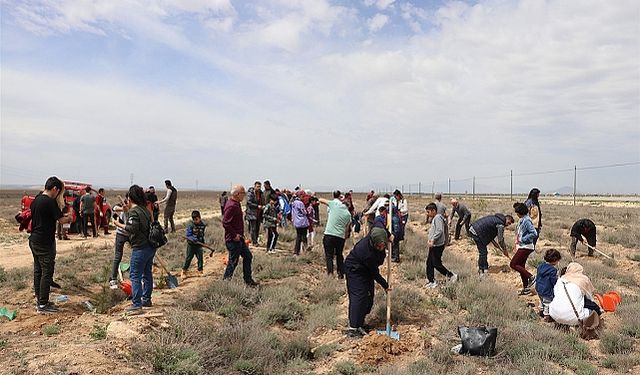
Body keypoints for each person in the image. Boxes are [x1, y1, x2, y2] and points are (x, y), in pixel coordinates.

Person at [29, 177, 72, 313]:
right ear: (54, 189)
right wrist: (70, 217)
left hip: (35, 239)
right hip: (44, 242)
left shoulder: (37, 199)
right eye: (58, 191)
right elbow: (61, 220)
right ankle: (43, 304)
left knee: (38, 270)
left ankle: (40, 298)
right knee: (46, 272)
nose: (58, 194)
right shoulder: (49, 202)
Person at [113, 185, 156, 315]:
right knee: (147, 273)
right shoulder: (145, 210)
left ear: (130, 198)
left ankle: (137, 304)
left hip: (140, 248)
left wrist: (117, 224)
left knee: (135, 275)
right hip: (150, 247)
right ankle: (146, 299)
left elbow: (132, 228)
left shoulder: (135, 212)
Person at [344, 227, 390, 338]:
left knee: (369, 297)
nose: (381, 248)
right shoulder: (365, 251)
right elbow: (374, 272)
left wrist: (390, 236)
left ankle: (360, 323)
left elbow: (381, 229)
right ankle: (353, 328)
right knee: (359, 297)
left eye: (383, 245)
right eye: (379, 246)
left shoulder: (377, 234)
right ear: (374, 243)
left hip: (365, 270)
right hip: (355, 270)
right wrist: (385, 285)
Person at [222, 185, 258, 286]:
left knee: (248, 256)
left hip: (240, 239)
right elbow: (225, 222)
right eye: (243, 193)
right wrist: (234, 235)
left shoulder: (236, 203)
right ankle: (225, 283)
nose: (244, 195)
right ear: (237, 194)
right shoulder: (231, 206)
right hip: (233, 240)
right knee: (233, 262)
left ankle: (248, 280)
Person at [469, 213, 514, 279]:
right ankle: (481, 271)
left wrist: (495, 243)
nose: (508, 225)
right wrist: (505, 250)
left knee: (484, 251)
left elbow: (489, 231)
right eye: (509, 223)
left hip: (475, 229)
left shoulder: (496, 218)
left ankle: (485, 267)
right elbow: (500, 240)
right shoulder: (500, 224)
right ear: (507, 219)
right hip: (476, 231)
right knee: (483, 252)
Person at [320, 191, 352, 278]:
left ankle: (330, 274)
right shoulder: (348, 215)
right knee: (339, 255)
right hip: (340, 237)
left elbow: (321, 200)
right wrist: (344, 238)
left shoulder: (334, 205)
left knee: (329, 256)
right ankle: (341, 274)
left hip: (329, 234)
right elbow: (347, 230)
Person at [424, 203, 457, 288]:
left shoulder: (438, 218)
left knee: (436, 263)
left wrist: (433, 240)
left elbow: (439, 231)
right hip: (434, 245)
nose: (427, 214)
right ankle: (431, 281)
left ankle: (451, 276)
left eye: (428, 212)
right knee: (429, 263)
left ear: (433, 211)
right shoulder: (436, 218)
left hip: (437, 245)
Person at [510, 203, 538, 295]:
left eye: (517, 212)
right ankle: (526, 288)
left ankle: (531, 277)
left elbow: (534, 233)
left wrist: (523, 239)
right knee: (521, 266)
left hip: (526, 246)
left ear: (520, 212)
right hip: (522, 246)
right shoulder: (522, 220)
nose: (516, 214)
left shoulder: (526, 220)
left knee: (513, 264)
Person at [109, 197, 130, 290]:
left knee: (137, 254)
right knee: (118, 256)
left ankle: (137, 276)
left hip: (131, 234)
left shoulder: (135, 210)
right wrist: (123, 208)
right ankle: (113, 278)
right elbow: (114, 208)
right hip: (121, 234)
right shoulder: (122, 208)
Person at [536, 249, 562, 322]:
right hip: (547, 290)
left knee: (541, 301)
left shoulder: (540, 266)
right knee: (548, 303)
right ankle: (546, 317)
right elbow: (554, 281)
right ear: (555, 260)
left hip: (539, 288)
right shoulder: (553, 270)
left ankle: (541, 311)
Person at [182, 210, 207, 278]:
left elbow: (202, 234)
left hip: (198, 245)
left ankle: (200, 270)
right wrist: (194, 239)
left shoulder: (202, 225)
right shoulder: (190, 225)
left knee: (200, 258)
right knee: (189, 258)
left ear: (199, 217)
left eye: (196, 219)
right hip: (191, 245)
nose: (195, 221)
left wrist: (202, 242)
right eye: (194, 219)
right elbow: (188, 235)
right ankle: (184, 271)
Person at [245, 181, 264, 246]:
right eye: (257, 186)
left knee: (257, 228)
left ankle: (255, 240)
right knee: (253, 228)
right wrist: (257, 206)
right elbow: (249, 202)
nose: (258, 188)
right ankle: (254, 242)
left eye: (259, 187)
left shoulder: (261, 193)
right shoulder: (251, 193)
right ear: (254, 186)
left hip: (258, 213)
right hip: (252, 213)